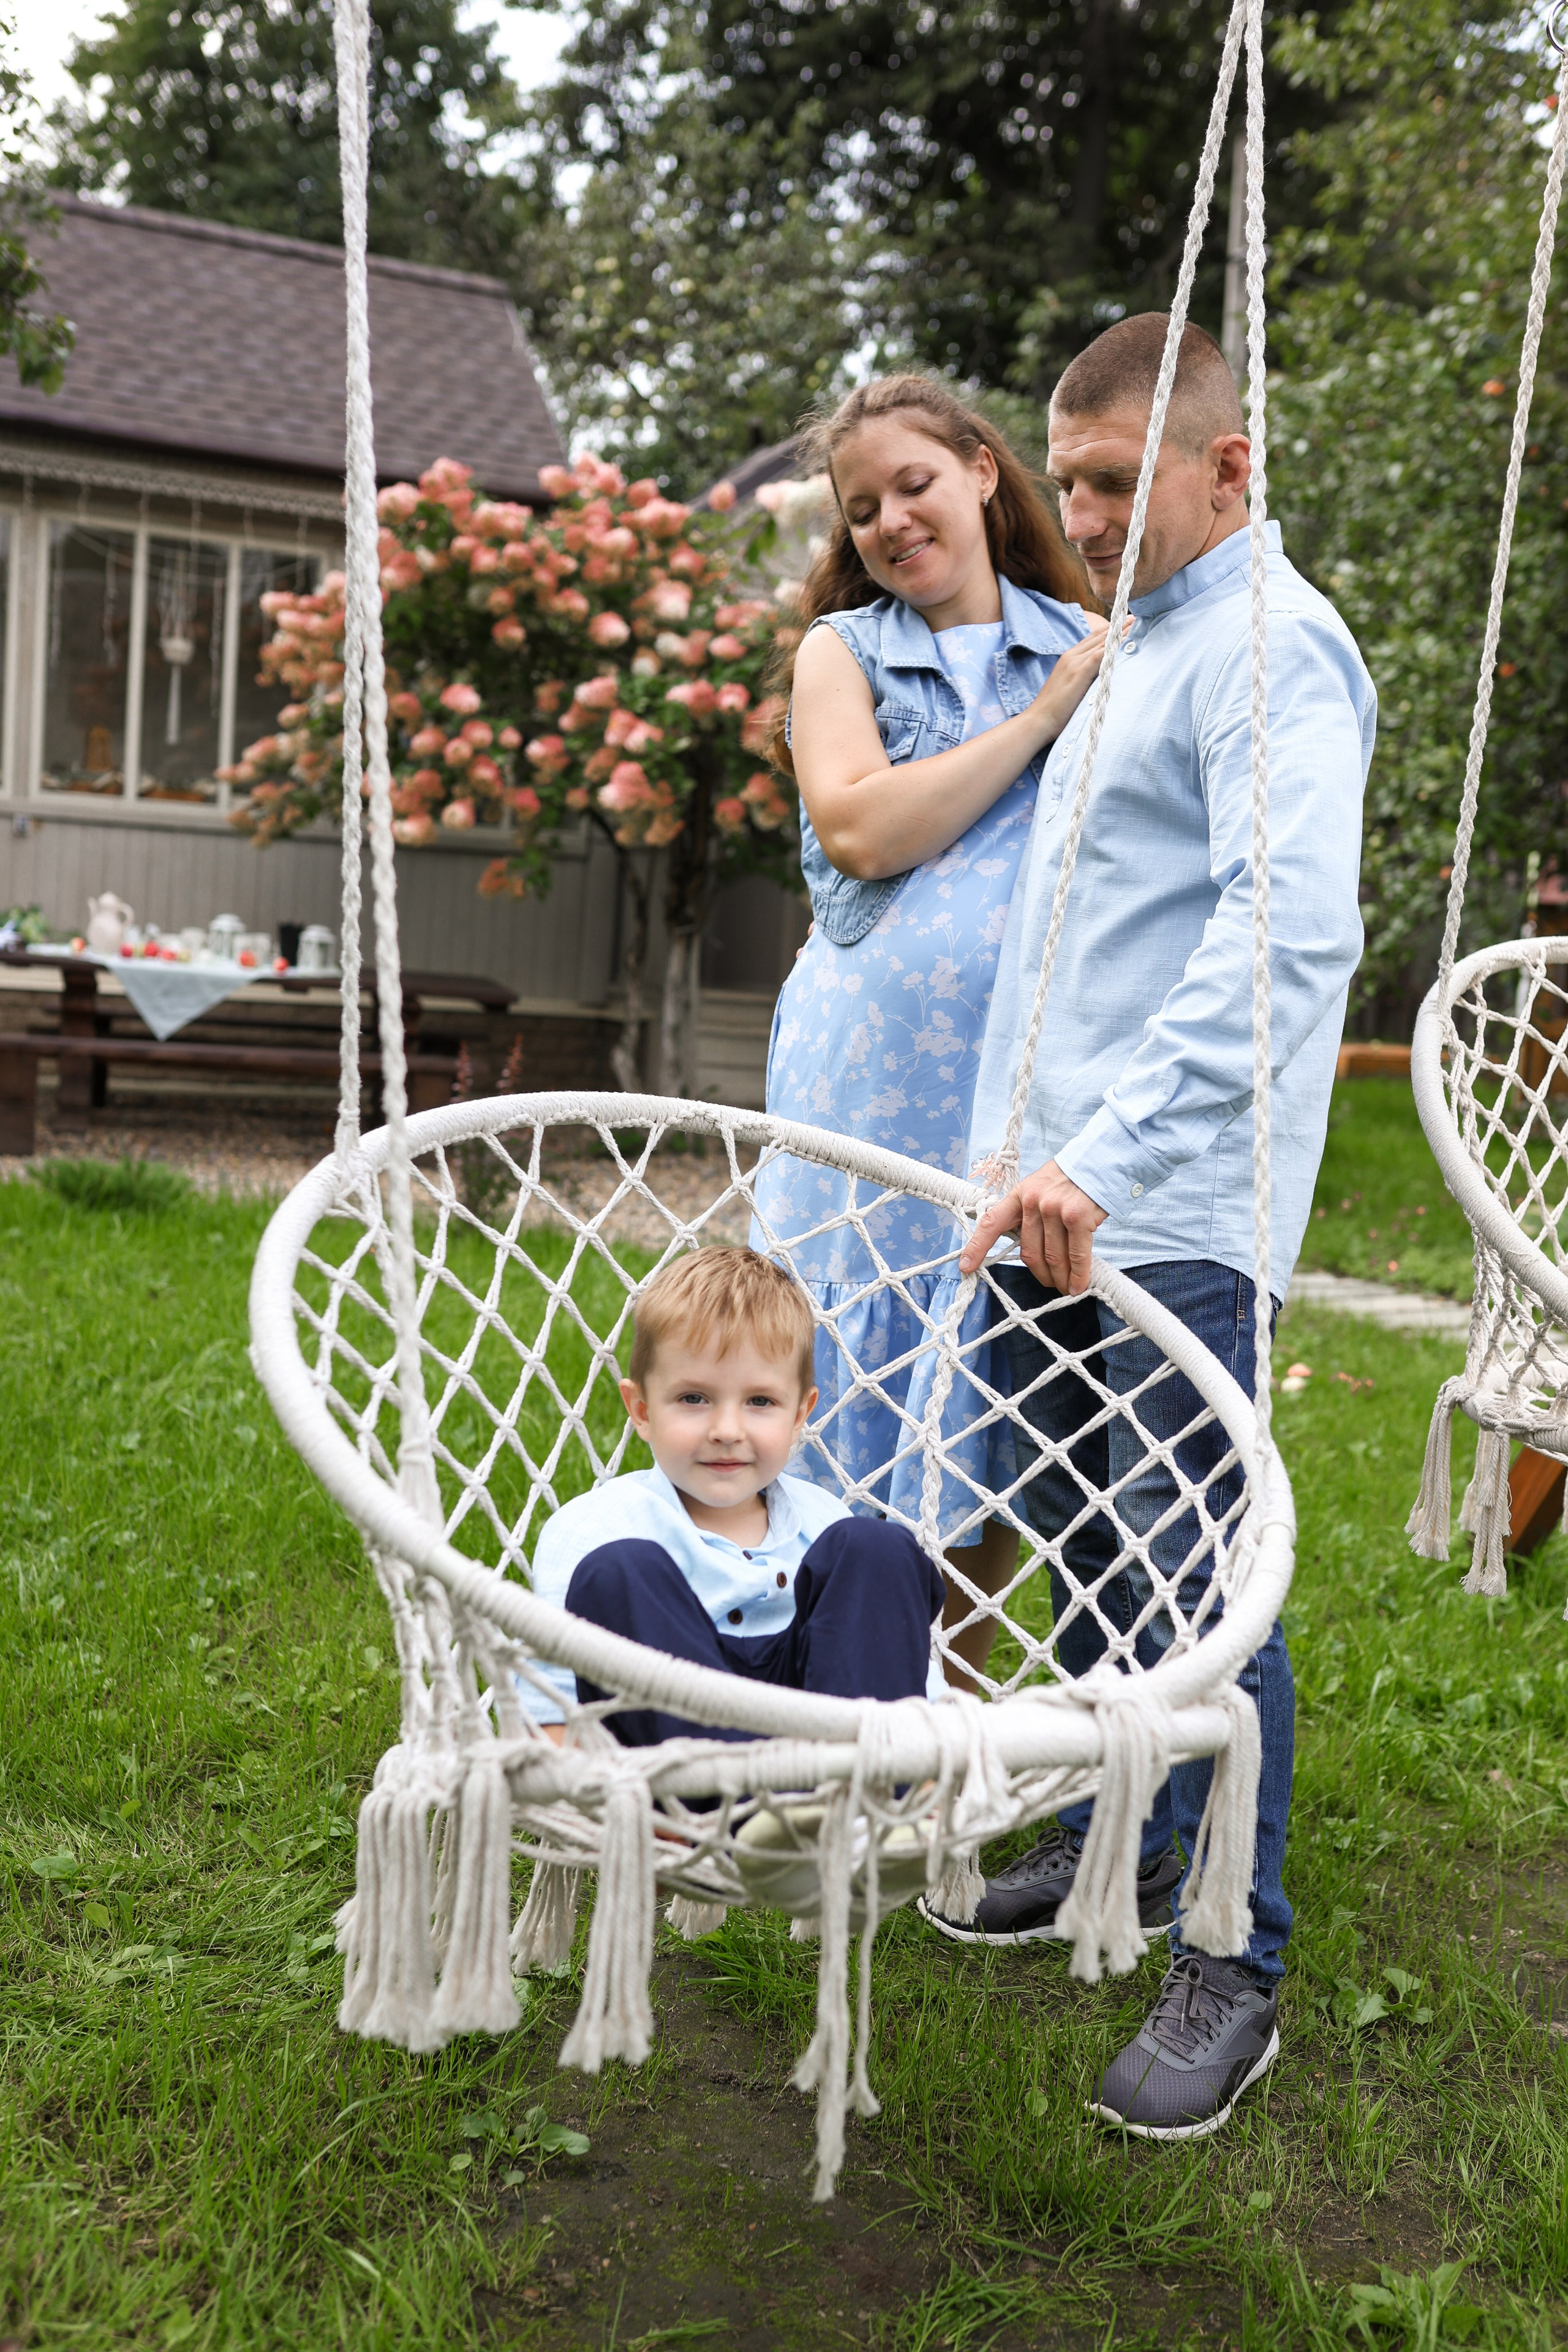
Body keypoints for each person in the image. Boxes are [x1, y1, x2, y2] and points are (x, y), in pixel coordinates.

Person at [925, 314, 1376, 2141]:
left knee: (1196, 1579)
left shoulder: (1273, 646)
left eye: (1115, 480)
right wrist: (1009, 1156)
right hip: (1035, 1188)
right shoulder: (1131, 644)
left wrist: (1103, 1154)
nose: (1087, 514)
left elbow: (1284, 933)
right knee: (1078, 1534)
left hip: (1159, 1193)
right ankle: (1120, 1829)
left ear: (1226, 464)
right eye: (1069, 482)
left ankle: (1228, 1952)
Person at [752, 375, 1108, 1683]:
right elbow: (861, 827)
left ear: (980, 472)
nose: (892, 522)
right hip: (859, 1089)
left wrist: (1067, 691)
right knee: (833, 1368)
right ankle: (803, 1697)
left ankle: (938, 1713)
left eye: (914, 485)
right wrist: (1039, 722)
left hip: (1014, 1089)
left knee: (980, 1388)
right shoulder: (844, 654)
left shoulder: (1090, 640)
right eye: (862, 510)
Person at [516, 1246, 946, 1746]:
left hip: (831, 1759)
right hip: (682, 1767)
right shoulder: (594, 1528)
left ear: (799, 1415)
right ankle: (739, 1791)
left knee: (877, 1547)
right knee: (616, 1572)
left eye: (760, 1401)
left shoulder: (826, 1523)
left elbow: (906, 1676)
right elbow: (552, 1709)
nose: (727, 1430)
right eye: (693, 1398)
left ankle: (883, 1779)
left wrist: (930, 1766)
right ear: (642, 1410)